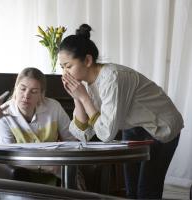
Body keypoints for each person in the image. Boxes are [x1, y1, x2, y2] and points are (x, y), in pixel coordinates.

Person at [58, 24, 184, 199]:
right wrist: (77, 97)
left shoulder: (112, 77)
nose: (64, 73)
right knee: (130, 191)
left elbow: (106, 133)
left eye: (68, 66)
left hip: (159, 126)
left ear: (87, 60)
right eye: (62, 67)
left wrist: (85, 98)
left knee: (146, 191)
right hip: (134, 126)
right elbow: (84, 134)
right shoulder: (84, 84)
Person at [0, 67, 76, 186]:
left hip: (57, 175)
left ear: (41, 95)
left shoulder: (54, 107)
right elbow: (8, 156)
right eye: (22, 89)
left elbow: (71, 141)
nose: (26, 95)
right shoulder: (2, 115)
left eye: (34, 91)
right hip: (23, 177)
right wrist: (47, 166)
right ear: (15, 88)